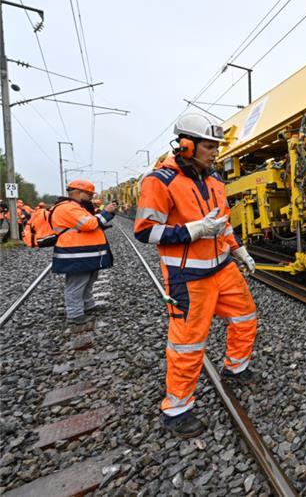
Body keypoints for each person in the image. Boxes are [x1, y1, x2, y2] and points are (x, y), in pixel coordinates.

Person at [134, 112, 258, 438]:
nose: (215, 151)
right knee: (188, 344)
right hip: (188, 277)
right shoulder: (159, 181)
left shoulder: (215, 180)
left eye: (216, 146)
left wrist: (239, 250)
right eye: (209, 146)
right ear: (186, 146)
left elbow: (224, 223)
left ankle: (236, 368)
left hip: (223, 268)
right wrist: (193, 230)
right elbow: (146, 232)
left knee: (245, 317)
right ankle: (177, 410)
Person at [50, 180, 118, 324]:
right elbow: (90, 223)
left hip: (85, 252)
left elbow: (90, 222)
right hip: (75, 253)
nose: (91, 197)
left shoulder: (76, 207)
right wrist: (106, 212)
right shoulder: (68, 208)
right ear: (79, 192)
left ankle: (88, 305)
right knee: (77, 283)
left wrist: (104, 216)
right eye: (89, 194)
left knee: (89, 280)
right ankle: (75, 314)